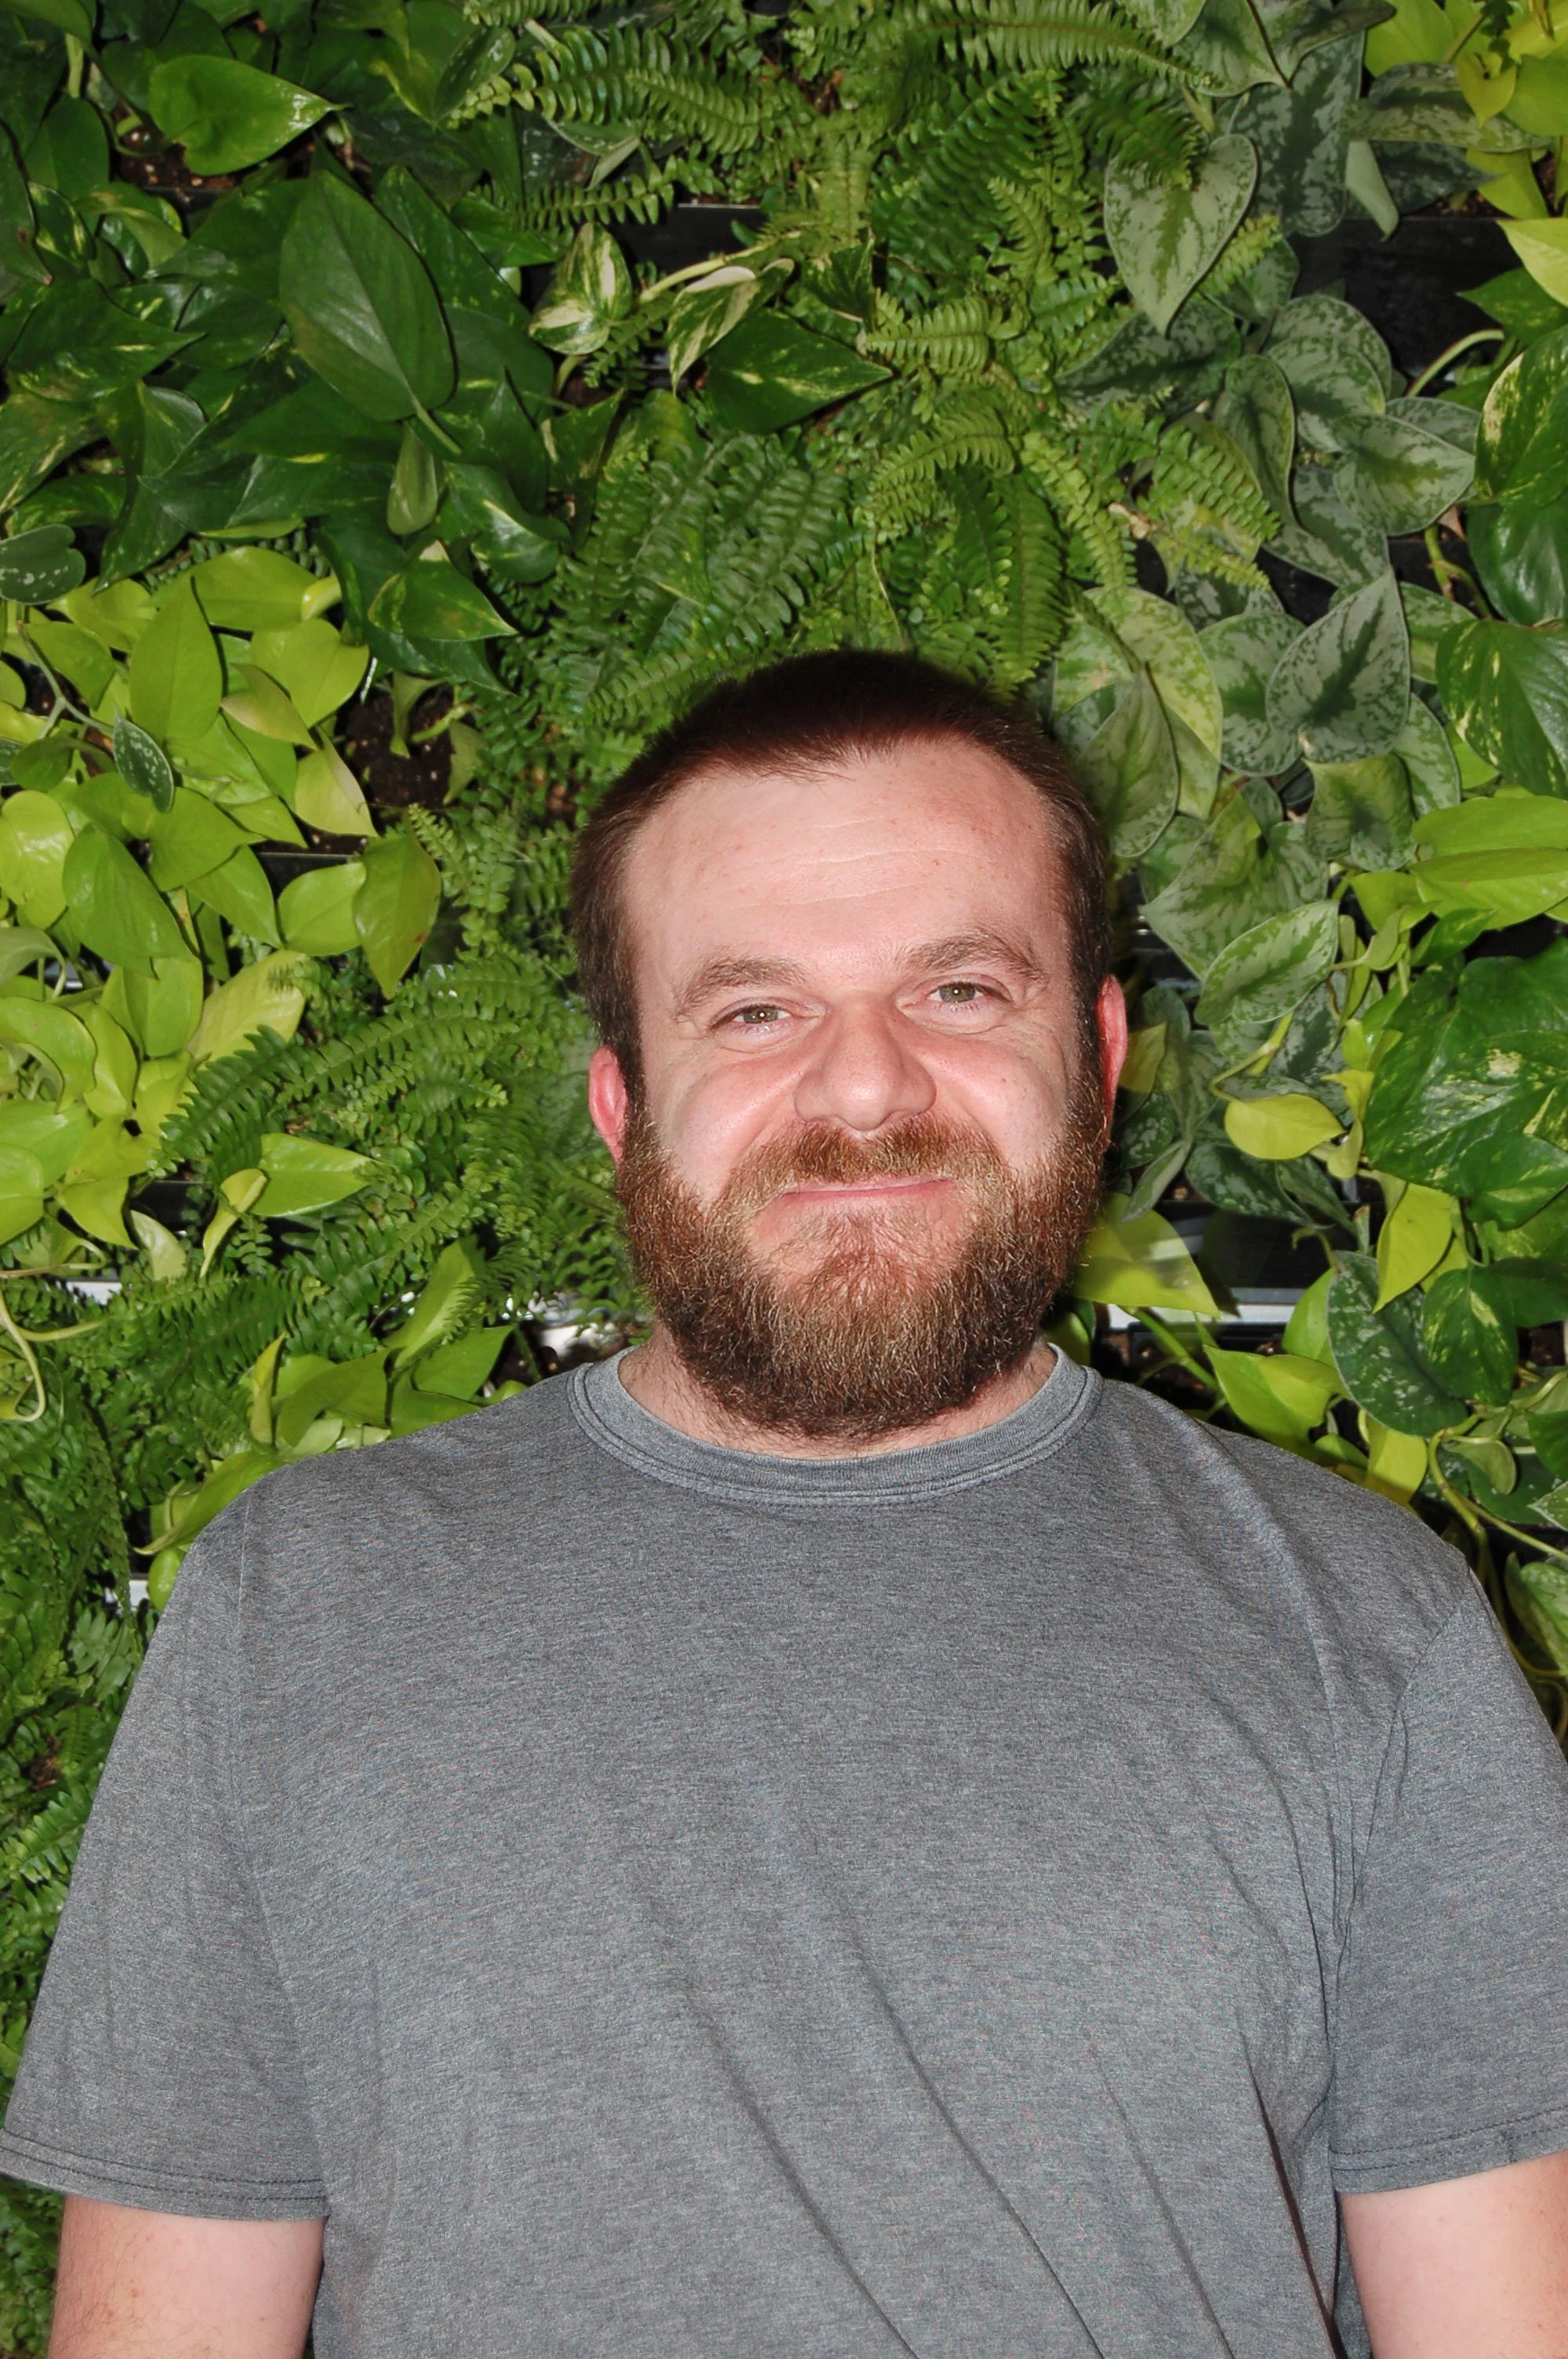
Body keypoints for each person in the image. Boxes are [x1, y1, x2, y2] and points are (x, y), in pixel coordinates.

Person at [5, 650, 1568, 2359]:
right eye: (755, 1010)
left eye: (959, 990)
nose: (864, 1089)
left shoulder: (1363, 1629)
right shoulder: (304, 1613)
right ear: (621, 1103)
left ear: (1100, 1056)